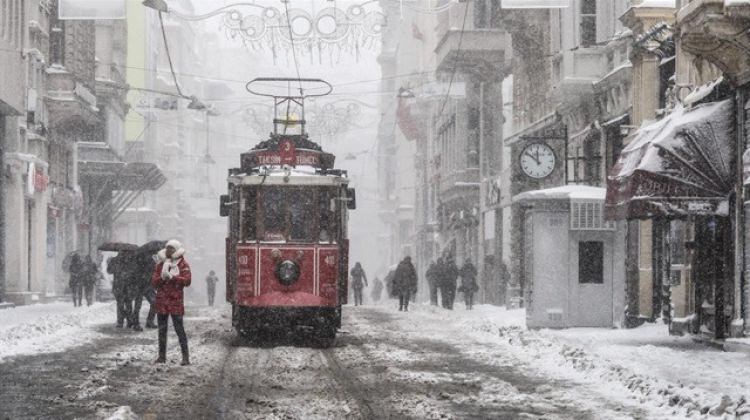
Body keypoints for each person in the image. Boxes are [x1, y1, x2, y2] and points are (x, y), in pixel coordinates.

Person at [152, 239, 192, 365]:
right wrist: (162, 278)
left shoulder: (183, 265)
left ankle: (185, 358)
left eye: (171, 248)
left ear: (177, 250)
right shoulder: (160, 264)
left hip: (175, 301)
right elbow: (154, 282)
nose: (169, 250)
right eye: (167, 248)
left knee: (179, 329)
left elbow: (187, 281)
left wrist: (174, 278)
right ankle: (161, 356)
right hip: (162, 301)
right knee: (161, 331)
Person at [129, 252, 158, 331]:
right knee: (139, 305)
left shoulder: (150, 261)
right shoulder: (141, 261)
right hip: (142, 285)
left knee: (154, 303)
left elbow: (153, 272)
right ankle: (137, 323)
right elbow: (135, 273)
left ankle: (146, 322)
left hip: (145, 285)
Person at [108, 252, 134, 328]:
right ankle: (128, 320)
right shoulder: (130, 261)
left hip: (119, 285)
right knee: (128, 303)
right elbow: (133, 272)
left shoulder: (114, 260)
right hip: (127, 285)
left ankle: (121, 321)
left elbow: (109, 271)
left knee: (120, 304)